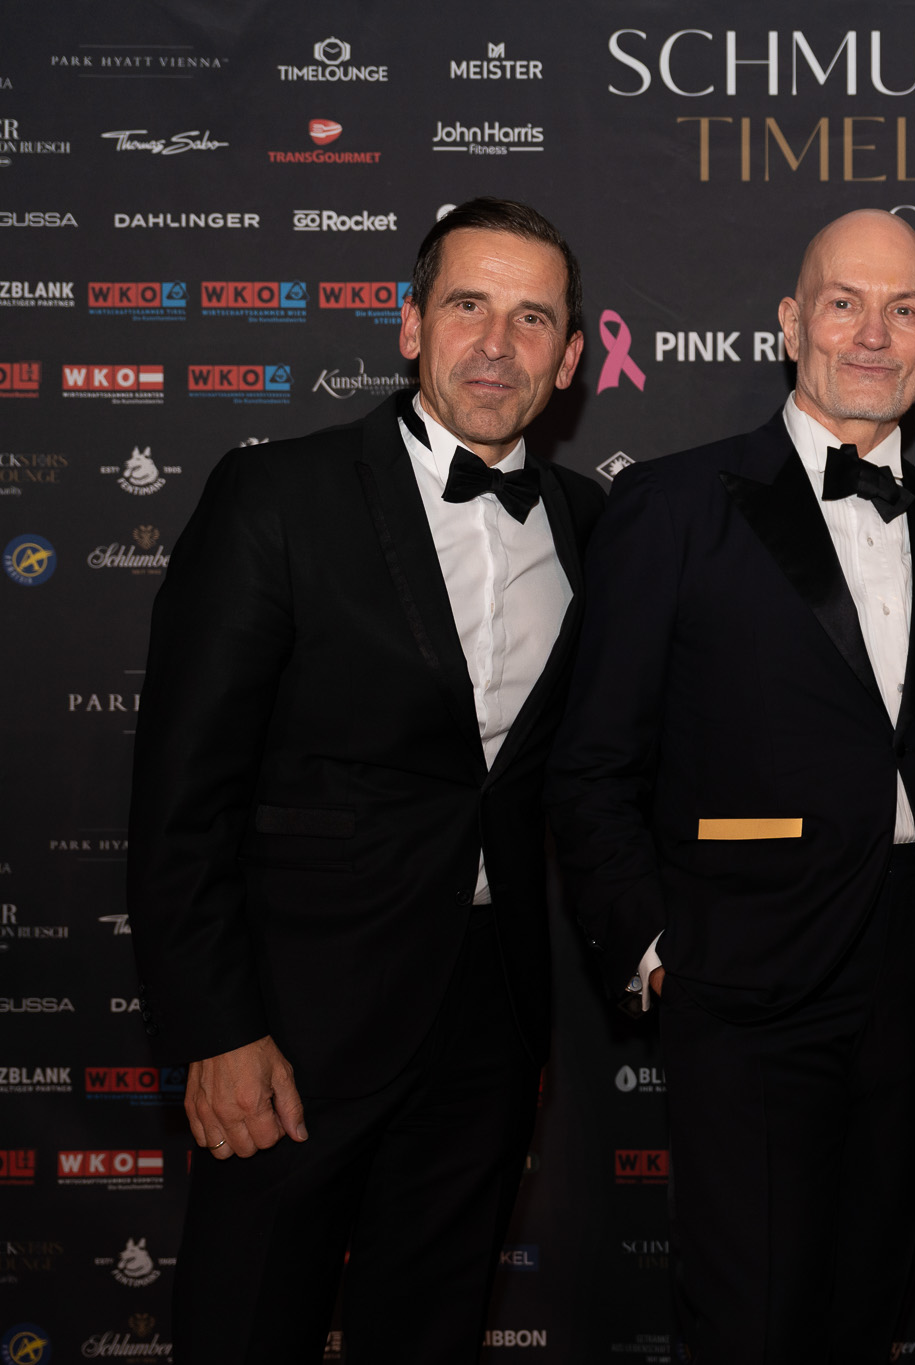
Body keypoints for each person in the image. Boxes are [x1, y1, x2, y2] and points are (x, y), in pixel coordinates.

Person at [126, 198, 603, 1363]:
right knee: (248, 1325)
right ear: (409, 325)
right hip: (295, 1027)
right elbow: (184, 795)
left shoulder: (593, 524)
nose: (496, 344)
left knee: (431, 1329)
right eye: (468, 305)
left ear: (570, 358)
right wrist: (219, 1030)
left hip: (490, 1021)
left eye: (532, 318)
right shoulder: (278, 497)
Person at [545, 209, 915, 1364]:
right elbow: (592, 760)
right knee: (748, 1326)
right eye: (844, 304)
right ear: (792, 324)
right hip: (741, 976)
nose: (872, 335)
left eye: (902, 310)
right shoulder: (675, 505)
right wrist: (656, 950)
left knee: (865, 1315)